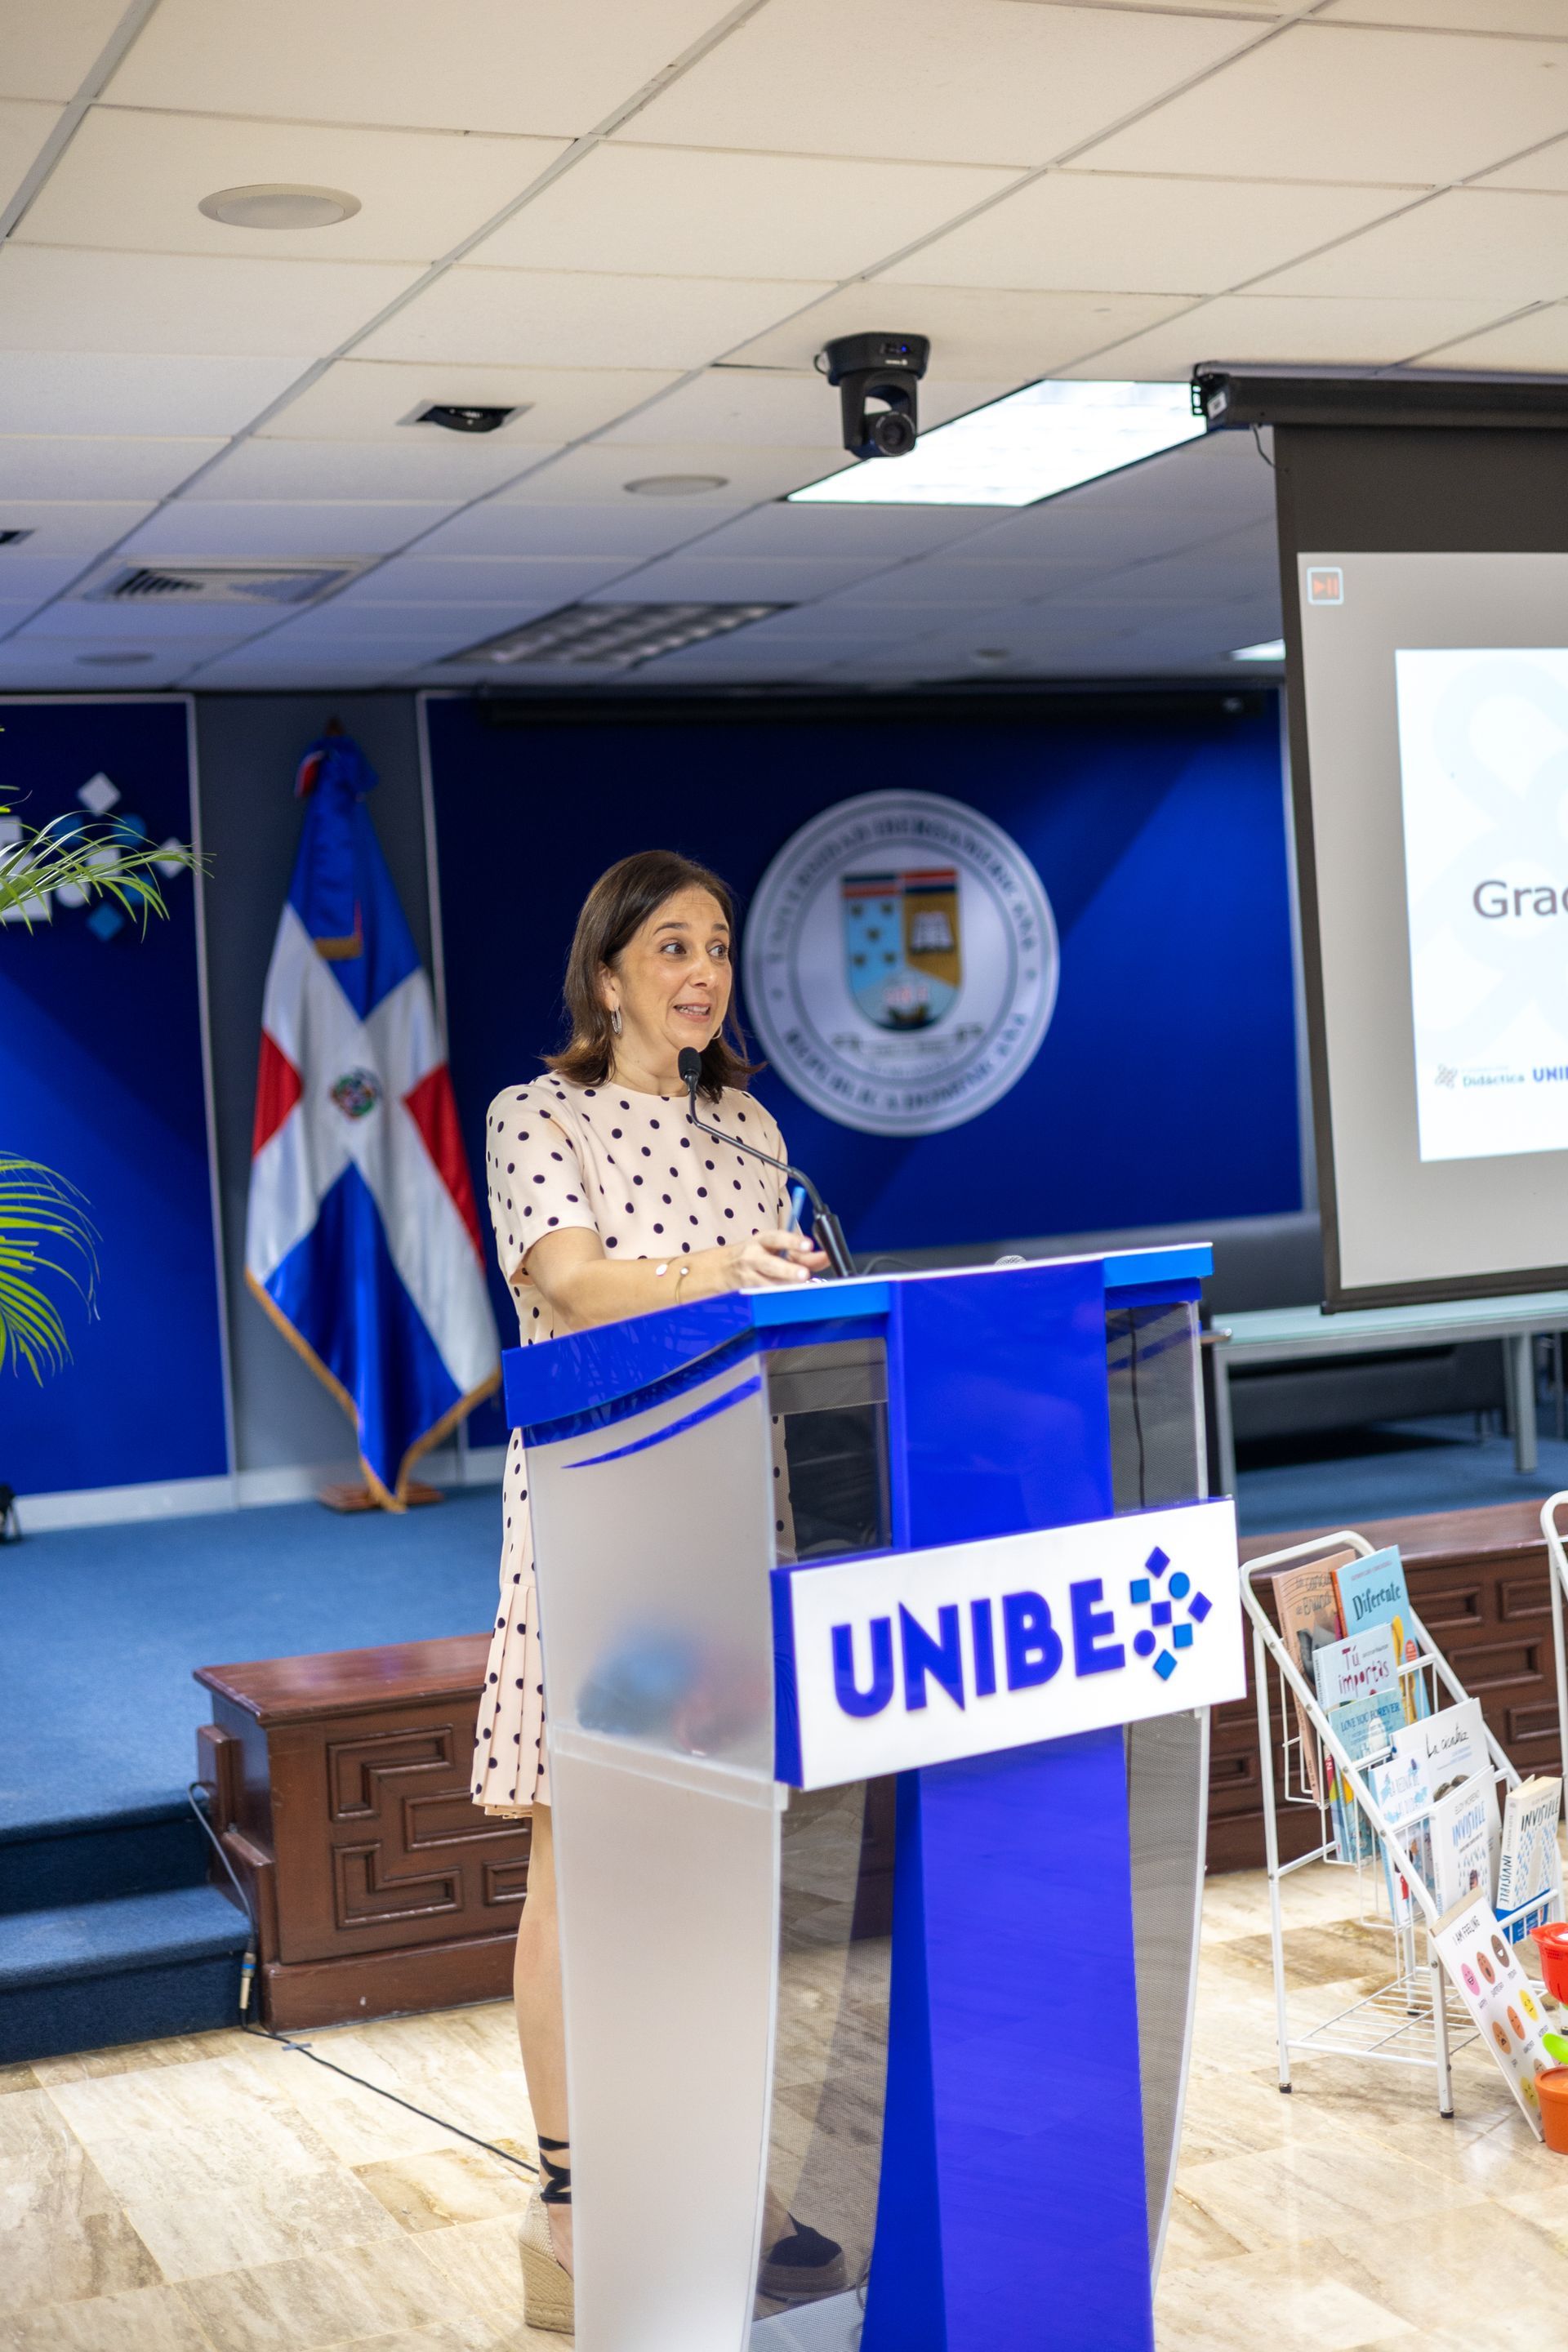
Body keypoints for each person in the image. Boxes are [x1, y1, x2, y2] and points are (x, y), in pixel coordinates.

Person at [473, 849, 841, 2332]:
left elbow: (773, 1300)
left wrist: (796, 1290)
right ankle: (576, 2188)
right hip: (596, 1521)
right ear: (608, 972)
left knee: (715, 1862)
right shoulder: (535, 1114)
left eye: (720, 945)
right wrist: (720, 1273)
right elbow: (570, 1282)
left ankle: (709, 2161)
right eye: (671, 943)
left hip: (732, 1522)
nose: (702, 970)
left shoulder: (750, 1126)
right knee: (583, 1863)